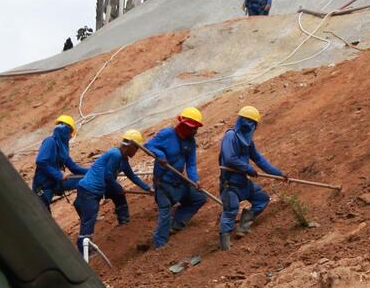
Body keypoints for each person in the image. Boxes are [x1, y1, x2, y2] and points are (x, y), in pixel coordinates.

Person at [216, 106, 284, 251]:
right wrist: (248, 168)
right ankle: (224, 246)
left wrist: (278, 173)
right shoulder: (230, 136)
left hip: (243, 183)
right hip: (230, 186)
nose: (249, 125)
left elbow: (259, 159)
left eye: (252, 122)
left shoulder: (248, 142)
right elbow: (229, 158)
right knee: (231, 210)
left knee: (262, 199)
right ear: (240, 120)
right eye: (247, 121)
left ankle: (243, 227)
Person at [73, 130, 151, 250]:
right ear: (129, 146)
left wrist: (148, 188)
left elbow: (132, 176)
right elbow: (108, 175)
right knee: (89, 219)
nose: (136, 151)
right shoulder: (115, 154)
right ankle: (84, 248)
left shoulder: (124, 160)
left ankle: (124, 222)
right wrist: (119, 188)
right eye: (136, 148)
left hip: (101, 187)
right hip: (89, 190)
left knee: (118, 195)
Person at [145, 106, 208, 251]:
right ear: (184, 126)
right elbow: (148, 146)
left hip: (179, 181)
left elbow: (191, 164)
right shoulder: (167, 134)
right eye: (194, 128)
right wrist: (159, 155)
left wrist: (195, 180)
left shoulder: (190, 142)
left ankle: (176, 223)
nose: (196, 131)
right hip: (163, 183)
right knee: (165, 212)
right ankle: (159, 245)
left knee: (199, 198)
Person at [32, 113, 86, 206]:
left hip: (56, 183)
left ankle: (83, 211)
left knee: (86, 180)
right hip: (44, 188)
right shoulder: (50, 142)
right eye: (70, 133)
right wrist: (58, 174)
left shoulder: (62, 148)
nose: (70, 137)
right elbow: (41, 161)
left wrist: (93, 170)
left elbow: (73, 167)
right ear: (66, 131)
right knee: (44, 215)